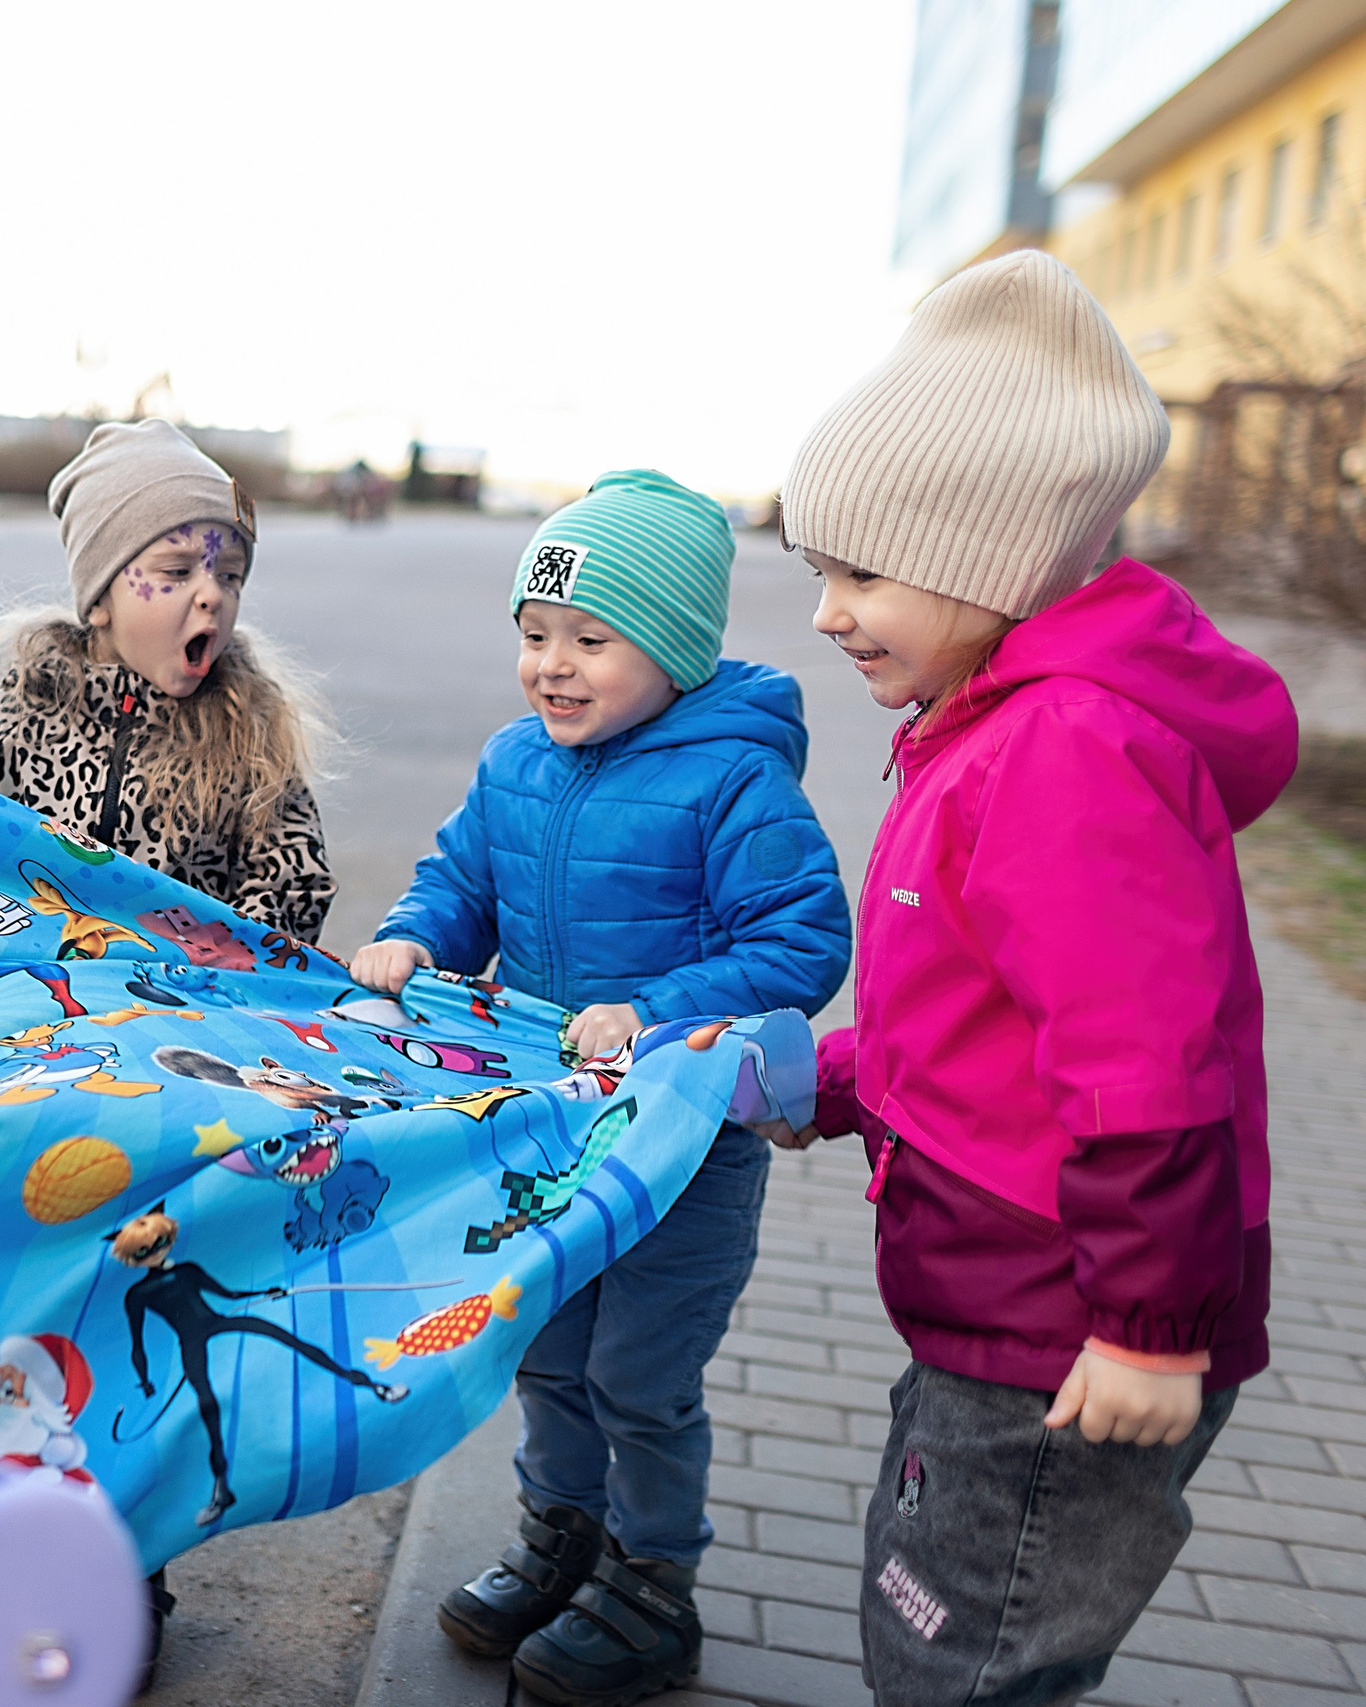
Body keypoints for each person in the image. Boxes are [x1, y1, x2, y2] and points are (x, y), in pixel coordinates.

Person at [767, 249, 1291, 1707]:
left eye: (861, 572)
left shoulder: (1064, 749)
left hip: (1073, 1334)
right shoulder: (984, 722)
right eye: (822, 571)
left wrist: (1146, 1327)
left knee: (973, 1655)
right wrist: (831, 1078)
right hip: (1005, 1308)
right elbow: (986, 1020)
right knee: (931, 1610)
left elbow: (1148, 1070)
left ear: (990, 558)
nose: (826, 612)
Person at [349, 469, 851, 1707]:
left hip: (682, 1145)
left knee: (640, 1373)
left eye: (590, 639)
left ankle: (650, 1583)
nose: (552, 667)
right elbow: (460, 879)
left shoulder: (735, 779)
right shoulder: (516, 761)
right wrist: (414, 937)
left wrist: (663, 1007)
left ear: (674, 648)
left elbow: (803, 941)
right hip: (552, 1131)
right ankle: (559, 1538)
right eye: (533, 637)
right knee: (551, 1353)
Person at [0, 419, 338, 942]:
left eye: (230, 576)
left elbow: (294, 880)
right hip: (36, 994)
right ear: (100, 601)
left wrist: (218, 957)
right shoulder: (14, 718)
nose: (212, 596)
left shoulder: (248, 733)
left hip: (184, 1002)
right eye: (177, 572)